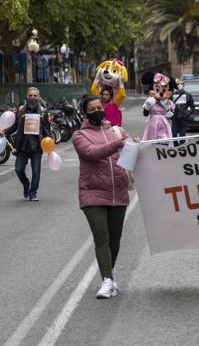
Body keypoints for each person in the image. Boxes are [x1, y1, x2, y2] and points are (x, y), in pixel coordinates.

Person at [72, 95, 131, 299]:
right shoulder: (80, 135)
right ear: (85, 112)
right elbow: (92, 153)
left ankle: (111, 273)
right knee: (102, 237)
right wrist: (118, 144)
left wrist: (137, 145)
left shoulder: (117, 131)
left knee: (115, 239)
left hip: (118, 191)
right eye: (92, 108)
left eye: (99, 107)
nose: (97, 111)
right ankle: (106, 280)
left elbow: (133, 155)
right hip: (92, 192)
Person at [1, 87, 50, 201]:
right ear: (27, 96)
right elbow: (15, 126)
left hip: (37, 146)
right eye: (30, 95)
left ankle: (33, 193)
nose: (33, 98)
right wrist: (5, 131)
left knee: (36, 171)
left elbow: (47, 129)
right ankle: (26, 183)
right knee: (18, 169)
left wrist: (49, 141)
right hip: (22, 145)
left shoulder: (43, 111)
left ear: (39, 96)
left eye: (35, 96)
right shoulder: (21, 110)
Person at [172, 78, 195, 146]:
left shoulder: (188, 95)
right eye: (178, 84)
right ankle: (176, 146)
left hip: (183, 118)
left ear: (184, 85)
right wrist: (170, 114)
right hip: (174, 118)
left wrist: (187, 114)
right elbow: (168, 105)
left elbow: (192, 106)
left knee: (182, 134)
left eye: (181, 84)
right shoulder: (172, 95)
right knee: (174, 133)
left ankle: (182, 147)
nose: (180, 85)